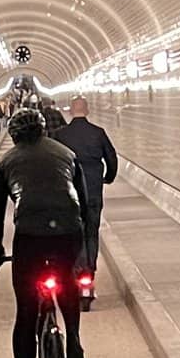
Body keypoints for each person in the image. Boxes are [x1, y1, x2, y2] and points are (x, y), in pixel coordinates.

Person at [0, 107, 88, 358]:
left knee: (26, 317)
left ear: (14, 136)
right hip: (68, 231)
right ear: (43, 132)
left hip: (30, 238)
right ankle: (74, 340)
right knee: (66, 285)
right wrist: (81, 248)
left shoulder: (7, 162)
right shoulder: (67, 155)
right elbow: (82, 202)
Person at [55, 96, 120, 292]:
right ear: (88, 110)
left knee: (72, 233)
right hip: (92, 190)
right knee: (91, 231)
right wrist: (108, 178)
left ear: (70, 111)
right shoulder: (98, 133)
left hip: (69, 193)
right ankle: (89, 270)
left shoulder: (60, 135)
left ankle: (76, 268)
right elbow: (112, 158)